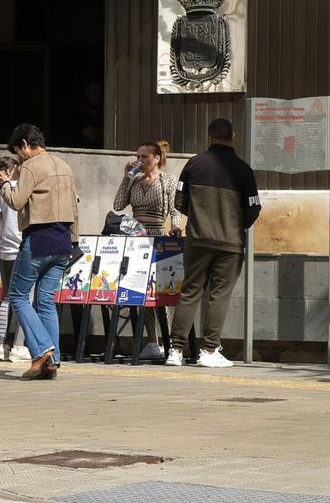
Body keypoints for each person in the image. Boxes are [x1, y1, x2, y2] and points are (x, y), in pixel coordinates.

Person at [167, 118, 261, 368]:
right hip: (229, 243)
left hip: (197, 240)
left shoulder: (194, 163)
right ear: (233, 135)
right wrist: (238, 226)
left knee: (190, 292)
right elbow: (253, 207)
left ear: (210, 136)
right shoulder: (243, 170)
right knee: (219, 295)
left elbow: (178, 201)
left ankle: (175, 350)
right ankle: (209, 350)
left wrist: (197, 219)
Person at [0, 123, 79, 381]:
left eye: (18, 152)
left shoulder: (30, 166)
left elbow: (16, 201)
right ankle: (51, 362)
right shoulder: (64, 166)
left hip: (39, 238)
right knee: (46, 300)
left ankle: (43, 351)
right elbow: (75, 208)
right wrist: (73, 241)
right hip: (63, 240)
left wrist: (5, 184)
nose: (19, 157)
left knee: (18, 296)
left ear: (24, 144)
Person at [112, 140, 183, 359]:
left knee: (161, 292)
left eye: (144, 157)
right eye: (138, 156)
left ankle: (169, 341)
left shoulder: (167, 181)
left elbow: (175, 209)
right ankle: (152, 340)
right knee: (141, 293)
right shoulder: (135, 181)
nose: (140, 160)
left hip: (158, 237)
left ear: (156, 158)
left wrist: (177, 227)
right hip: (136, 238)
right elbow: (117, 205)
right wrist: (126, 178)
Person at [0, 155, 30, 363]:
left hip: (5, 248)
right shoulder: (23, 188)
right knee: (25, 298)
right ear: (14, 169)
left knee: (6, 296)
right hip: (24, 248)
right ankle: (18, 346)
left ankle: (0, 345)